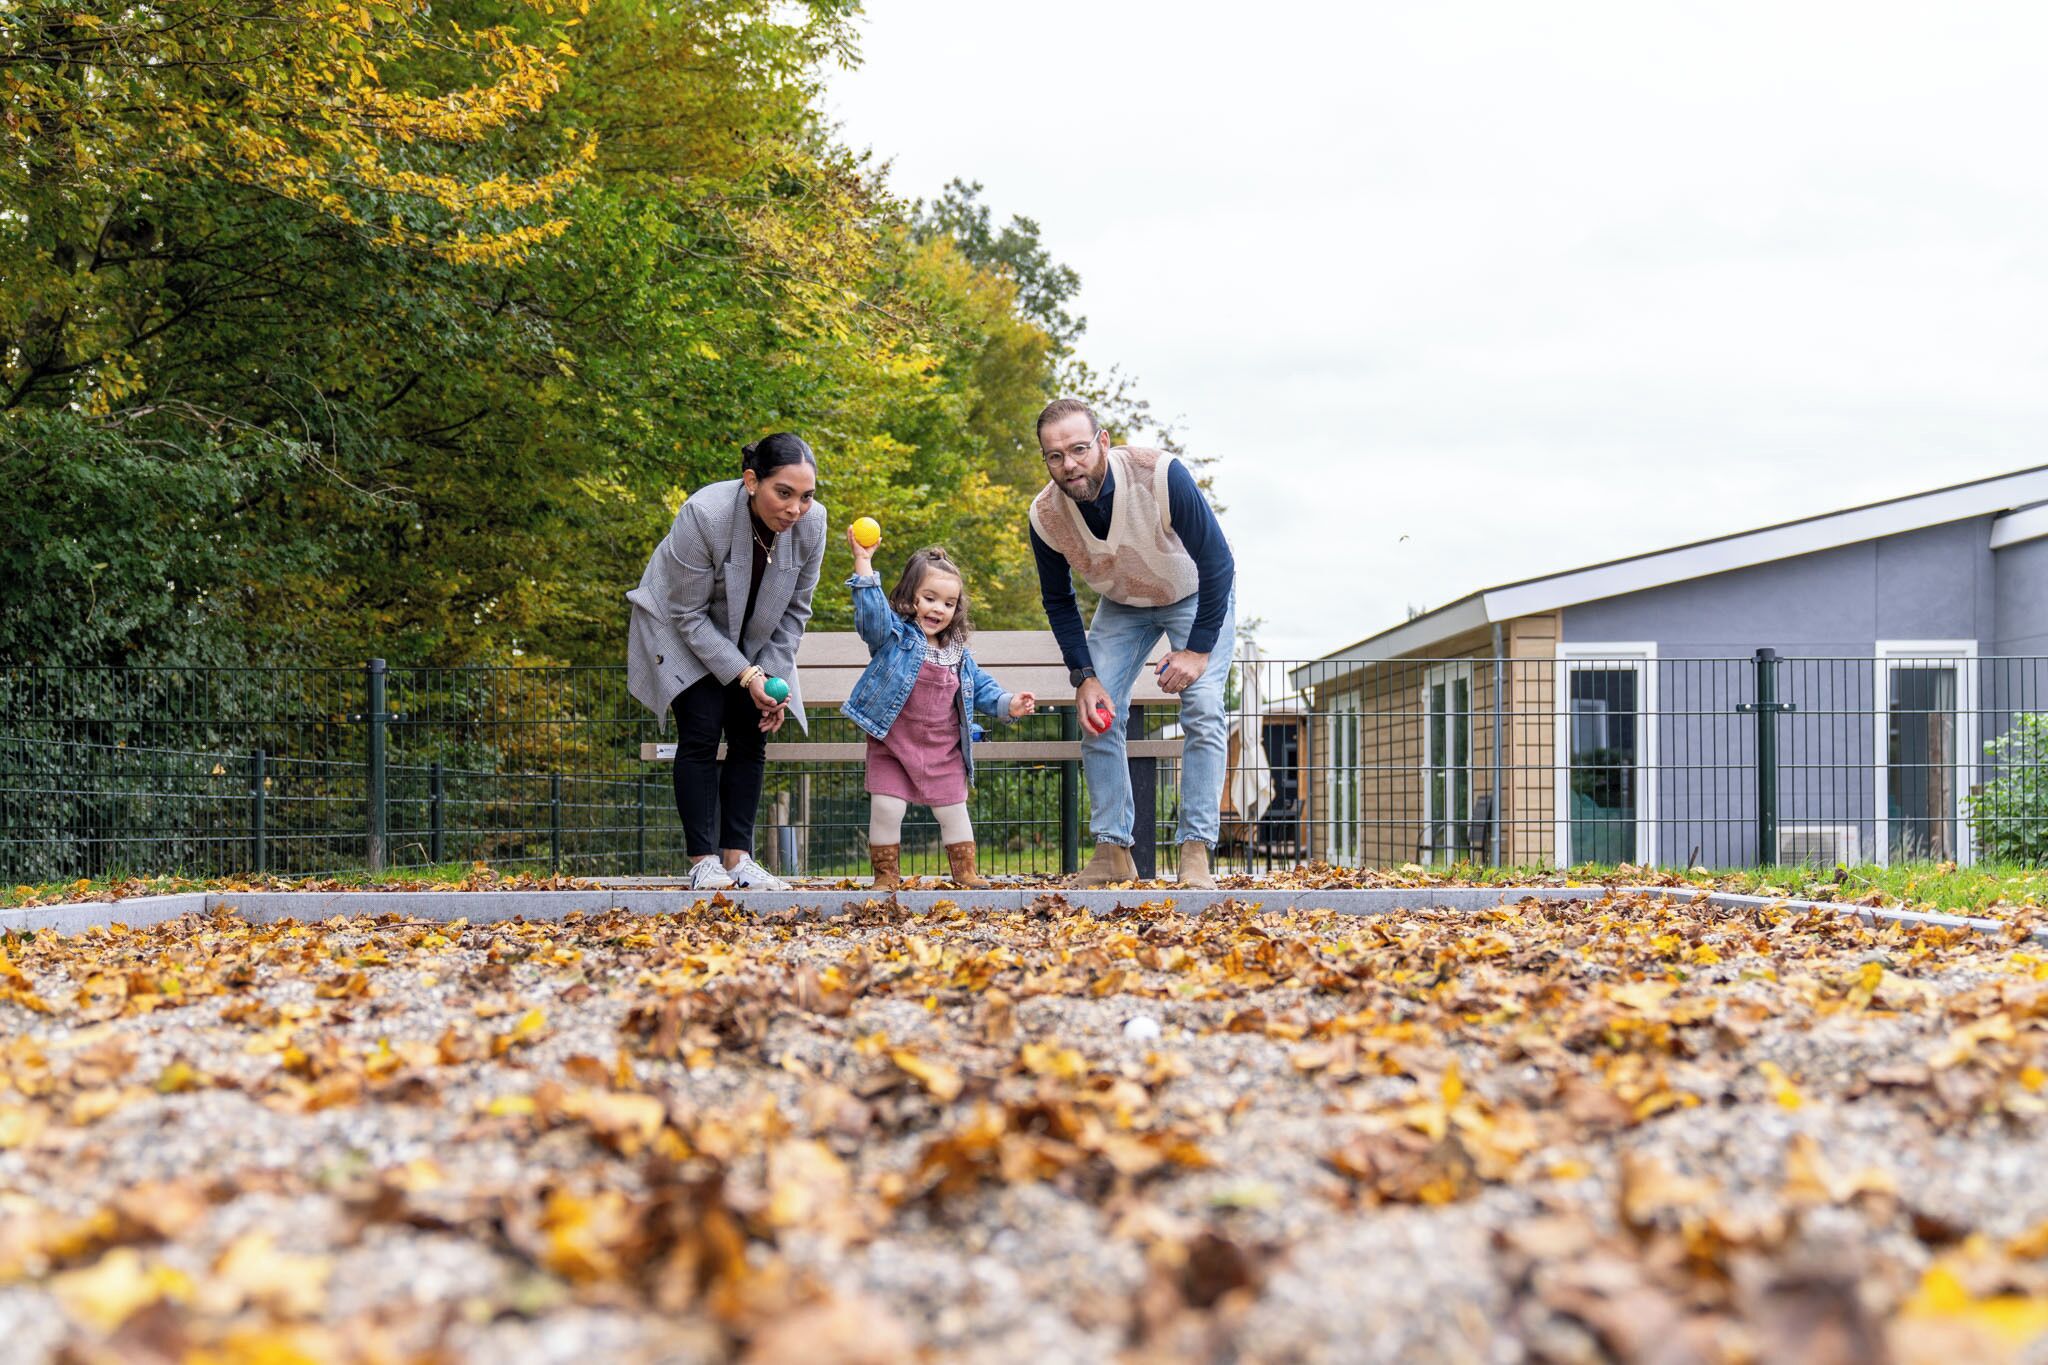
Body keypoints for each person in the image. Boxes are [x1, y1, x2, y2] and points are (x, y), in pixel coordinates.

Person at [1028, 398, 1236, 889]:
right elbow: (1058, 601)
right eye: (1055, 456)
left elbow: (1218, 562)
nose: (1069, 464)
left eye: (1079, 449)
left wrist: (1197, 651)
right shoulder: (1045, 516)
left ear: (1102, 442)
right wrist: (1085, 677)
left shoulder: (1160, 475)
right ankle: (1112, 851)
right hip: (1123, 604)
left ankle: (1195, 851)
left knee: (1204, 707)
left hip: (1193, 591)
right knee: (1098, 713)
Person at [625, 434, 826, 892]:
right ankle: (704, 862)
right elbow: (688, 614)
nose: (795, 509)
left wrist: (769, 677)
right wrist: (745, 673)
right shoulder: (704, 514)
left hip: (753, 636)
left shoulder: (813, 524)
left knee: (751, 733)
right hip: (680, 624)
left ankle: (738, 860)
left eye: (806, 496)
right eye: (784, 493)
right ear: (752, 481)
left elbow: (796, 611)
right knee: (700, 730)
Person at [842, 529, 1036, 891]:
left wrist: (1009, 703)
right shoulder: (894, 637)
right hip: (893, 745)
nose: (938, 609)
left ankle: (966, 873)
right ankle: (886, 876)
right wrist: (863, 563)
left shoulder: (957, 652)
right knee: (887, 808)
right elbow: (872, 619)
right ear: (909, 597)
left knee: (953, 810)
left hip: (943, 749)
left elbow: (981, 687)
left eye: (948, 603)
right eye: (929, 598)